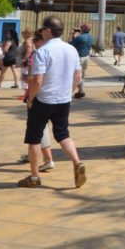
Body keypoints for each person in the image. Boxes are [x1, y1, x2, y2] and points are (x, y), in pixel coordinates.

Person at [18, 16, 86, 189]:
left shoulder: (43, 51)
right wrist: (68, 92)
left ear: (48, 31)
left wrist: (31, 99)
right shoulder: (71, 49)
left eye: (42, 29)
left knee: (34, 137)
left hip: (43, 99)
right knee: (63, 133)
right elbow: (78, 77)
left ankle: (34, 176)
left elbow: (37, 80)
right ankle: (77, 162)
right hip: (63, 100)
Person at [18, 31, 55, 172]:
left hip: (38, 95)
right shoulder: (55, 52)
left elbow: (35, 79)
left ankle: (47, 159)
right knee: (43, 128)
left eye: (35, 41)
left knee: (38, 129)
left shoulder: (39, 54)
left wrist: (30, 98)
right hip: (53, 95)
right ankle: (41, 157)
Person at [70, 24, 93, 98]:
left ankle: (80, 90)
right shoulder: (90, 37)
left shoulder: (80, 37)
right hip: (87, 56)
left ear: (82, 29)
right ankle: (80, 90)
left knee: (76, 75)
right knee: (82, 74)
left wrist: (73, 36)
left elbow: (70, 44)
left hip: (79, 58)